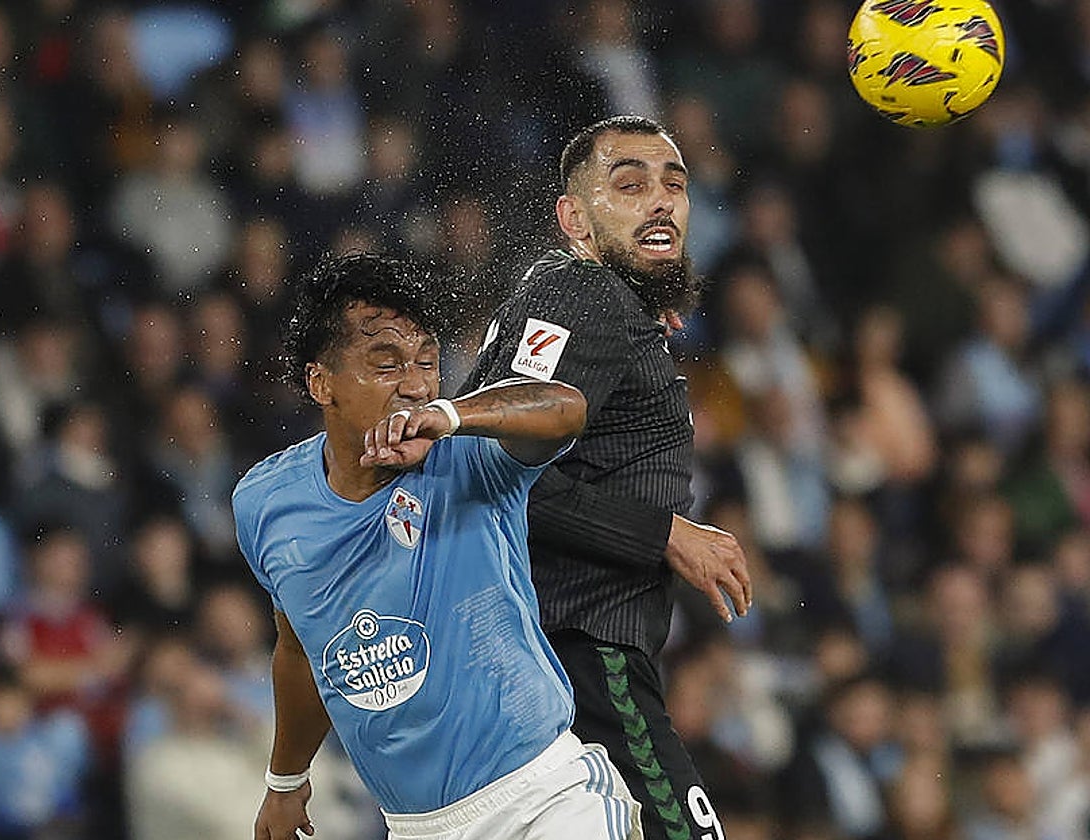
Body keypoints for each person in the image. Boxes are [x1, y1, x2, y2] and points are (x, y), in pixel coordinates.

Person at [231, 253, 643, 840]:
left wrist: (453, 416)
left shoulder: (469, 454)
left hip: (544, 800)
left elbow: (565, 407)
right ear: (320, 382)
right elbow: (301, 650)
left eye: (427, 362)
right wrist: (285, 780)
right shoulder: (265, 503)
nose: (416, 385)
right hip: (415, 827)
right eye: (386, 364)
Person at [462, 115, 752, 840]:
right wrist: (667, 534)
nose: (660, 200)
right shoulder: (586, 297)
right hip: (583, 647)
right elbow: (495, 471)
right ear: (575, 218)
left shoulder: (578, 295)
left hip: (541, 649)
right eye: (629, 184)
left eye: (674, 184)